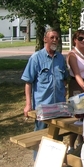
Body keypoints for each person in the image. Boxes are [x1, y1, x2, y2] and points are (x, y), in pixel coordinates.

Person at [21, 28, 68, 159]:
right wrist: (28, 104)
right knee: (41, 136)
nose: (55, 40)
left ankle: (53, 161)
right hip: (43, 107)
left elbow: (64, 79)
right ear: (45, 39)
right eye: (52, 37)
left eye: (57, 38)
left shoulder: (60, 58)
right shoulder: (36, 58)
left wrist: (64, 97)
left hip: (58, 106)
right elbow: (28, 82)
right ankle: (39, 161)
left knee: (57, 136)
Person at [66, 29, 84, 153]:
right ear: (75, 40)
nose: (83, 40)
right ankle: (71, 147)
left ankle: (81, 145)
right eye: (80, 38)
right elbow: (77, 75)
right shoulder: (72, 55)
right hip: (78, 87)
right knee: (77, 118)